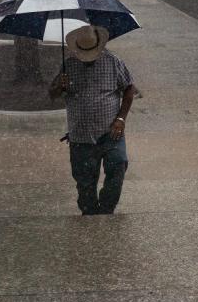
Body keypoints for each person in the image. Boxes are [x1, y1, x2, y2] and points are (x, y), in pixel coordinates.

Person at [49, 25, 137, 216]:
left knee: (118, 166)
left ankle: (106, 209)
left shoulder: (113, 62)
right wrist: (59, 86)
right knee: (85, 182)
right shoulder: (68, 65)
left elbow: (129, 89)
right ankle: (90, 214)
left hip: (110, 132)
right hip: (80, 136)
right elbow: (52, 94)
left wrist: (121, 118)